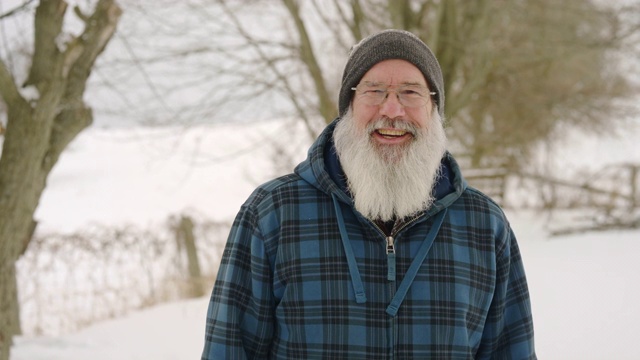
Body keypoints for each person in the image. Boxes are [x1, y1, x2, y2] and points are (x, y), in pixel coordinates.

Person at [201, 29, 536, 359]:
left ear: (434, 108)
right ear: (349, 107)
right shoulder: (273, 213)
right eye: (374, 91)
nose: (392, 111)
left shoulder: (483, 224)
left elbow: (512, 351)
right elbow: (228, 349)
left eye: (410, 92)